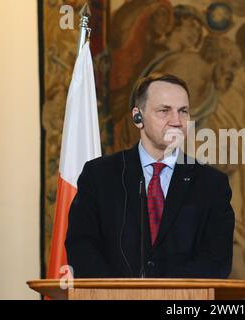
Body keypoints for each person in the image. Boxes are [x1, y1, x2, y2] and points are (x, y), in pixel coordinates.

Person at [65, 73, 235, 278]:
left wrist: (163, 293)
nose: (177, 121)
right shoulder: (99, 176)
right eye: (164, 111)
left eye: (183, 111)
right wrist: (122, 295)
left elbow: (216, 260)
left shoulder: (212, 184)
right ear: (138, 117)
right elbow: (82, 246)